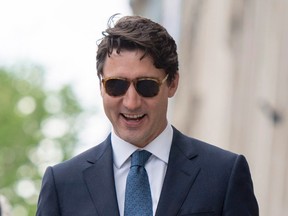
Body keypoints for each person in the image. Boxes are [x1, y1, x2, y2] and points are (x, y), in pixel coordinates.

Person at [36, 14, 259, 216]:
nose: (131, 102)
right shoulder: (62, 184)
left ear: (172, 83)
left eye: (146, 86)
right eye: (116, 85)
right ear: (101, 86)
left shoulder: (224, 174)